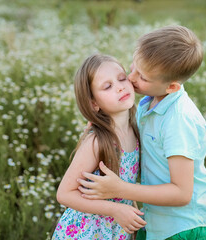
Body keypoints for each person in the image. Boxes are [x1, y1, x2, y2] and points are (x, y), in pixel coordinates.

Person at [77, 26, 206, 240]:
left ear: (171, 87)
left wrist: (120, 189)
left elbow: (181, 193)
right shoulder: (149, 102)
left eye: (141, 76)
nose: (131, 78)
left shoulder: (179, 120)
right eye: (133, 68)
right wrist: (101, 120)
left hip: (184, 228)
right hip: (155, 222)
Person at [52, 54, 147, 240]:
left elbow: (124, 186)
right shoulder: (97, 141)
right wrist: (116, 210)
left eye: (121, 78)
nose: (120, 87)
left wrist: (130, 214)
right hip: (85, 232)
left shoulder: (135, 130)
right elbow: (64, 194)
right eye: (107, 86)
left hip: (115, 230)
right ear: (94, 103)